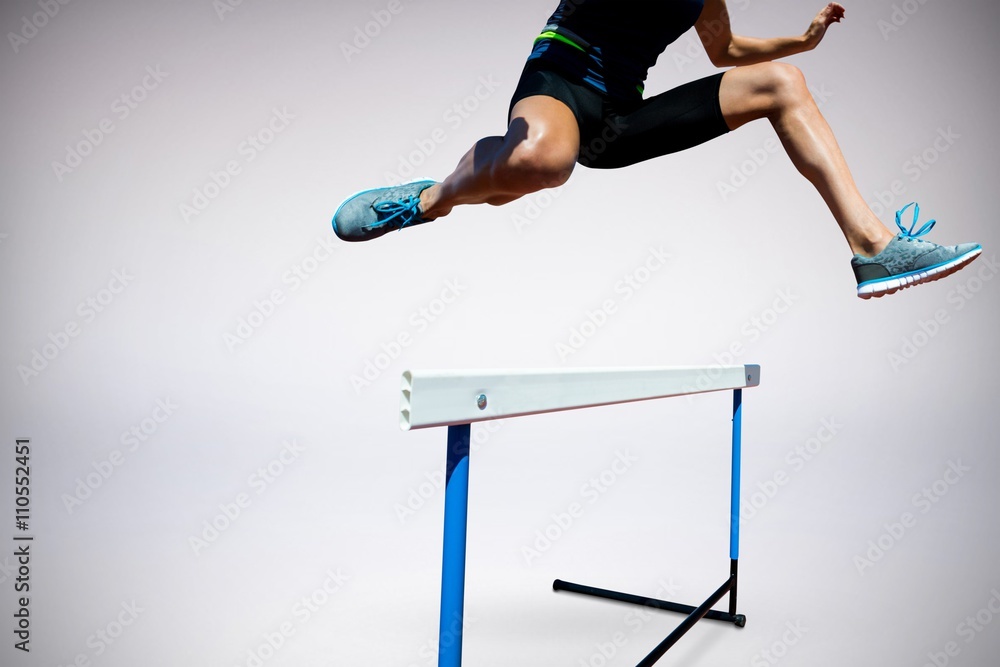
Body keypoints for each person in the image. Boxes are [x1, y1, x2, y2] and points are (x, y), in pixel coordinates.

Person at [332, 0, 981, 299]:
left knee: (784, 83)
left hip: (620, 119)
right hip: (558, 79)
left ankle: (873, 248)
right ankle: (428, 199)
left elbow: (725, 51)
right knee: (541, 161)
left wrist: (801, 42)